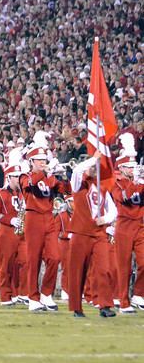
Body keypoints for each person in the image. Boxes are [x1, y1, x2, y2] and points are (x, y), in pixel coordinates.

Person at [20, 131, 68, 312]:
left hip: (49, 217)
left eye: (44, 159)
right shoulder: (25, 176)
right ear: (31, 162)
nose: (43, 162)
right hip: (33, 218)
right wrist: (45, 172)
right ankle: (32, 297)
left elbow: (65, 190)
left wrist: (63, 175)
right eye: (39, 160)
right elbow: (29, 184)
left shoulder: (50, 177)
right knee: (34, 260)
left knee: (55, 257)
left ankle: (46, 294)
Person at [67, 151, 116, 318]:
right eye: (92, 167)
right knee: (78, 271)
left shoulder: (102, 187)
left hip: (99, 233)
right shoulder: (78, 184)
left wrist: (106, 218)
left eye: (97, 167)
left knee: (105, 268)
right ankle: (76, 308)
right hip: (80, 233)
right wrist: (93, 159)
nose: (95, 170)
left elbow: (113, 210)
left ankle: (105, 305)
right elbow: (76, 171)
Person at [110, 133, 143, 313]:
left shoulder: (138, 180)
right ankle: (123, 302)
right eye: (129, 167)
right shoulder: (116, 182)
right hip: (124, 225)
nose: (133, 169)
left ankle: (138, 295)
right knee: (123, 266)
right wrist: (135, 182)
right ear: (121, 168)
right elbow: (125, 197)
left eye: (134, 166)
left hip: (140, 224)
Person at [0, 151, 25, 306]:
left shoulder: (23, 193)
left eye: (19, 176)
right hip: (7, 232)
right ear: (9, 177)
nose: (18, 179)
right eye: (15, 176)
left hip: (21, 232)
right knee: (6, 264)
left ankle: (19, 293)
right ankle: (5, 296)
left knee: (23, 262)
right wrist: (10, 220)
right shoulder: (0, 194)